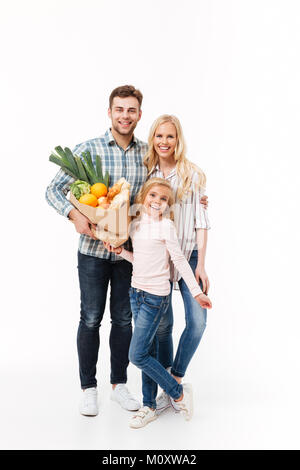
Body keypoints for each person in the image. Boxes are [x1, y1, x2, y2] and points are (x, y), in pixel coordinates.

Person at [45, 85, 149, 416]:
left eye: (131, 110)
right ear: (109, 112)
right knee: (90, 318)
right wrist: (74, 214)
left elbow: (165, 189)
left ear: (139, 115)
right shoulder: (87, 150)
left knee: (123, 318)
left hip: (129, 253)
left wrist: (196, 199)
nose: (125, 115)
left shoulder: (147, 154)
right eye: (120, 109)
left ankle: (119, 385)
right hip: (91, 251)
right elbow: (52, 190)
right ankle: (89, 389)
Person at [104, 178, 212, 428]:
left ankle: (178, 392)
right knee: (148, 351)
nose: (158, 202)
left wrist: (196, 293)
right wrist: (121, 253)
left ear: (168, 205)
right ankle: (149, 406)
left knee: (136, 354)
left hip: (156, 297)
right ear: (144, 197)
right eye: (153, 196)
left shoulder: (167, 227)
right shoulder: (136, 225)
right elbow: (139, 259)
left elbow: (180, 262)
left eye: (164, 199)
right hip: (136, 293)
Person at [143, 115, 211, 414]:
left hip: (188, 257)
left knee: (197, 322)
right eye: (159, 136)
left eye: (170, 136)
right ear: (152, 138)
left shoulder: (192, 174)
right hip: (158, 260)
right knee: (163, 327)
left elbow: (201, 221)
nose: (164, 142)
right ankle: (166, 393)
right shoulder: (147, 171)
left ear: (178, 139)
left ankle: (176, 377)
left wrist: (202, 265)